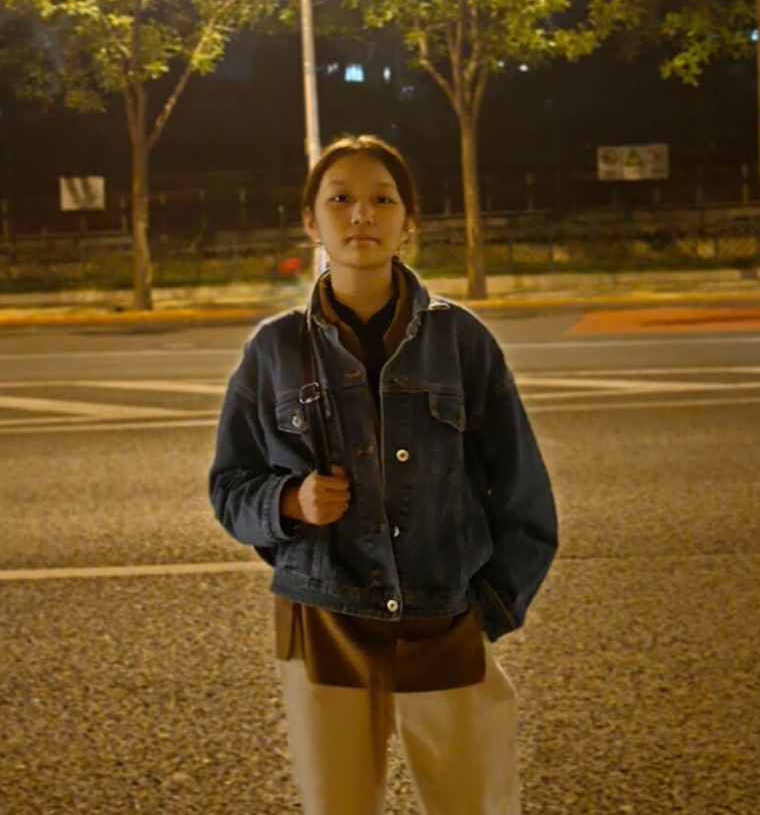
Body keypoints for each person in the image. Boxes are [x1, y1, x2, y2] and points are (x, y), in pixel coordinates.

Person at [209, 134, 558, 814]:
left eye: (382, 199)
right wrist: (290, 501)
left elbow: (523, 493)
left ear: (409, 222)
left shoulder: (460, 341)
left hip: (442, 613)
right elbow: (230, 486)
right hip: (325, 620)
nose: (361, 215)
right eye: (340, 199)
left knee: (474, 804)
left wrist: (487, 610)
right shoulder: (276, 348)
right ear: (311, 221)